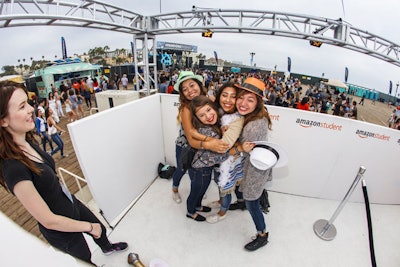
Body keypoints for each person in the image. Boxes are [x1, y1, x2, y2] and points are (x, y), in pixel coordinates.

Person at [0, 81, 128, 265]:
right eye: (22, 106)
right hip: (61, 229)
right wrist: (88, 227)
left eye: (28, 103)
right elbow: (48, 220)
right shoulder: (13, 168)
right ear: (3, 120)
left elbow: (47, 172)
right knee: (84, 258)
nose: (31, 109)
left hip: (69, 203)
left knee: (100, 227)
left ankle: (107, 247)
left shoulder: (28, 142)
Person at [186, 95, 252, 222]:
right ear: (197, 118)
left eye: (209, 110)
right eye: (202, 115)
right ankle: (190, 211)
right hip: (199, 169)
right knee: (196, 190)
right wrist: (240, 148)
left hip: (206, 169)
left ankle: (198, 206)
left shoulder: (217, 124)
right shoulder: (207, 131)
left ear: (214, 108)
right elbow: (220, 155)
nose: (208, 116)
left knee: (202, 189)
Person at [171, 71, 229, 204]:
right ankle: (174, 189)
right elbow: (191, 136)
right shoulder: (186, 108)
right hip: (185, 147)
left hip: (201, 147)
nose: (190, 91)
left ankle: (196, 194)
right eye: (185, 89)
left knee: (194, 174)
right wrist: (211, 142)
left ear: (199, 84)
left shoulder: (209, 99)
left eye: (192, 85)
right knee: (180, 170)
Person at [234, 77, 273, 251]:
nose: (243, 103)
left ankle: (262, 234)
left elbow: (240, 149)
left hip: (254, 170)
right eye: (241, 97)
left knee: (252, 203)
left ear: (257, 103)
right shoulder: (254, 115)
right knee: (240, 190)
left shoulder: (253, 125)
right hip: (249, 165)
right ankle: (242, 201)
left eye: (250, 100)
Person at [205, 82, 245, 223]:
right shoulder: (219, 112)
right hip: (218, 160)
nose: (228, 100)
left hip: (228, 162)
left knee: (225, 187)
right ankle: (220, 200)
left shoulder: (237, 119)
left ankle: (222, 212)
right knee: (218, 182)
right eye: (224, 95)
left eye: (233, 97)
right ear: (219, 96)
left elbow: (223, 146)